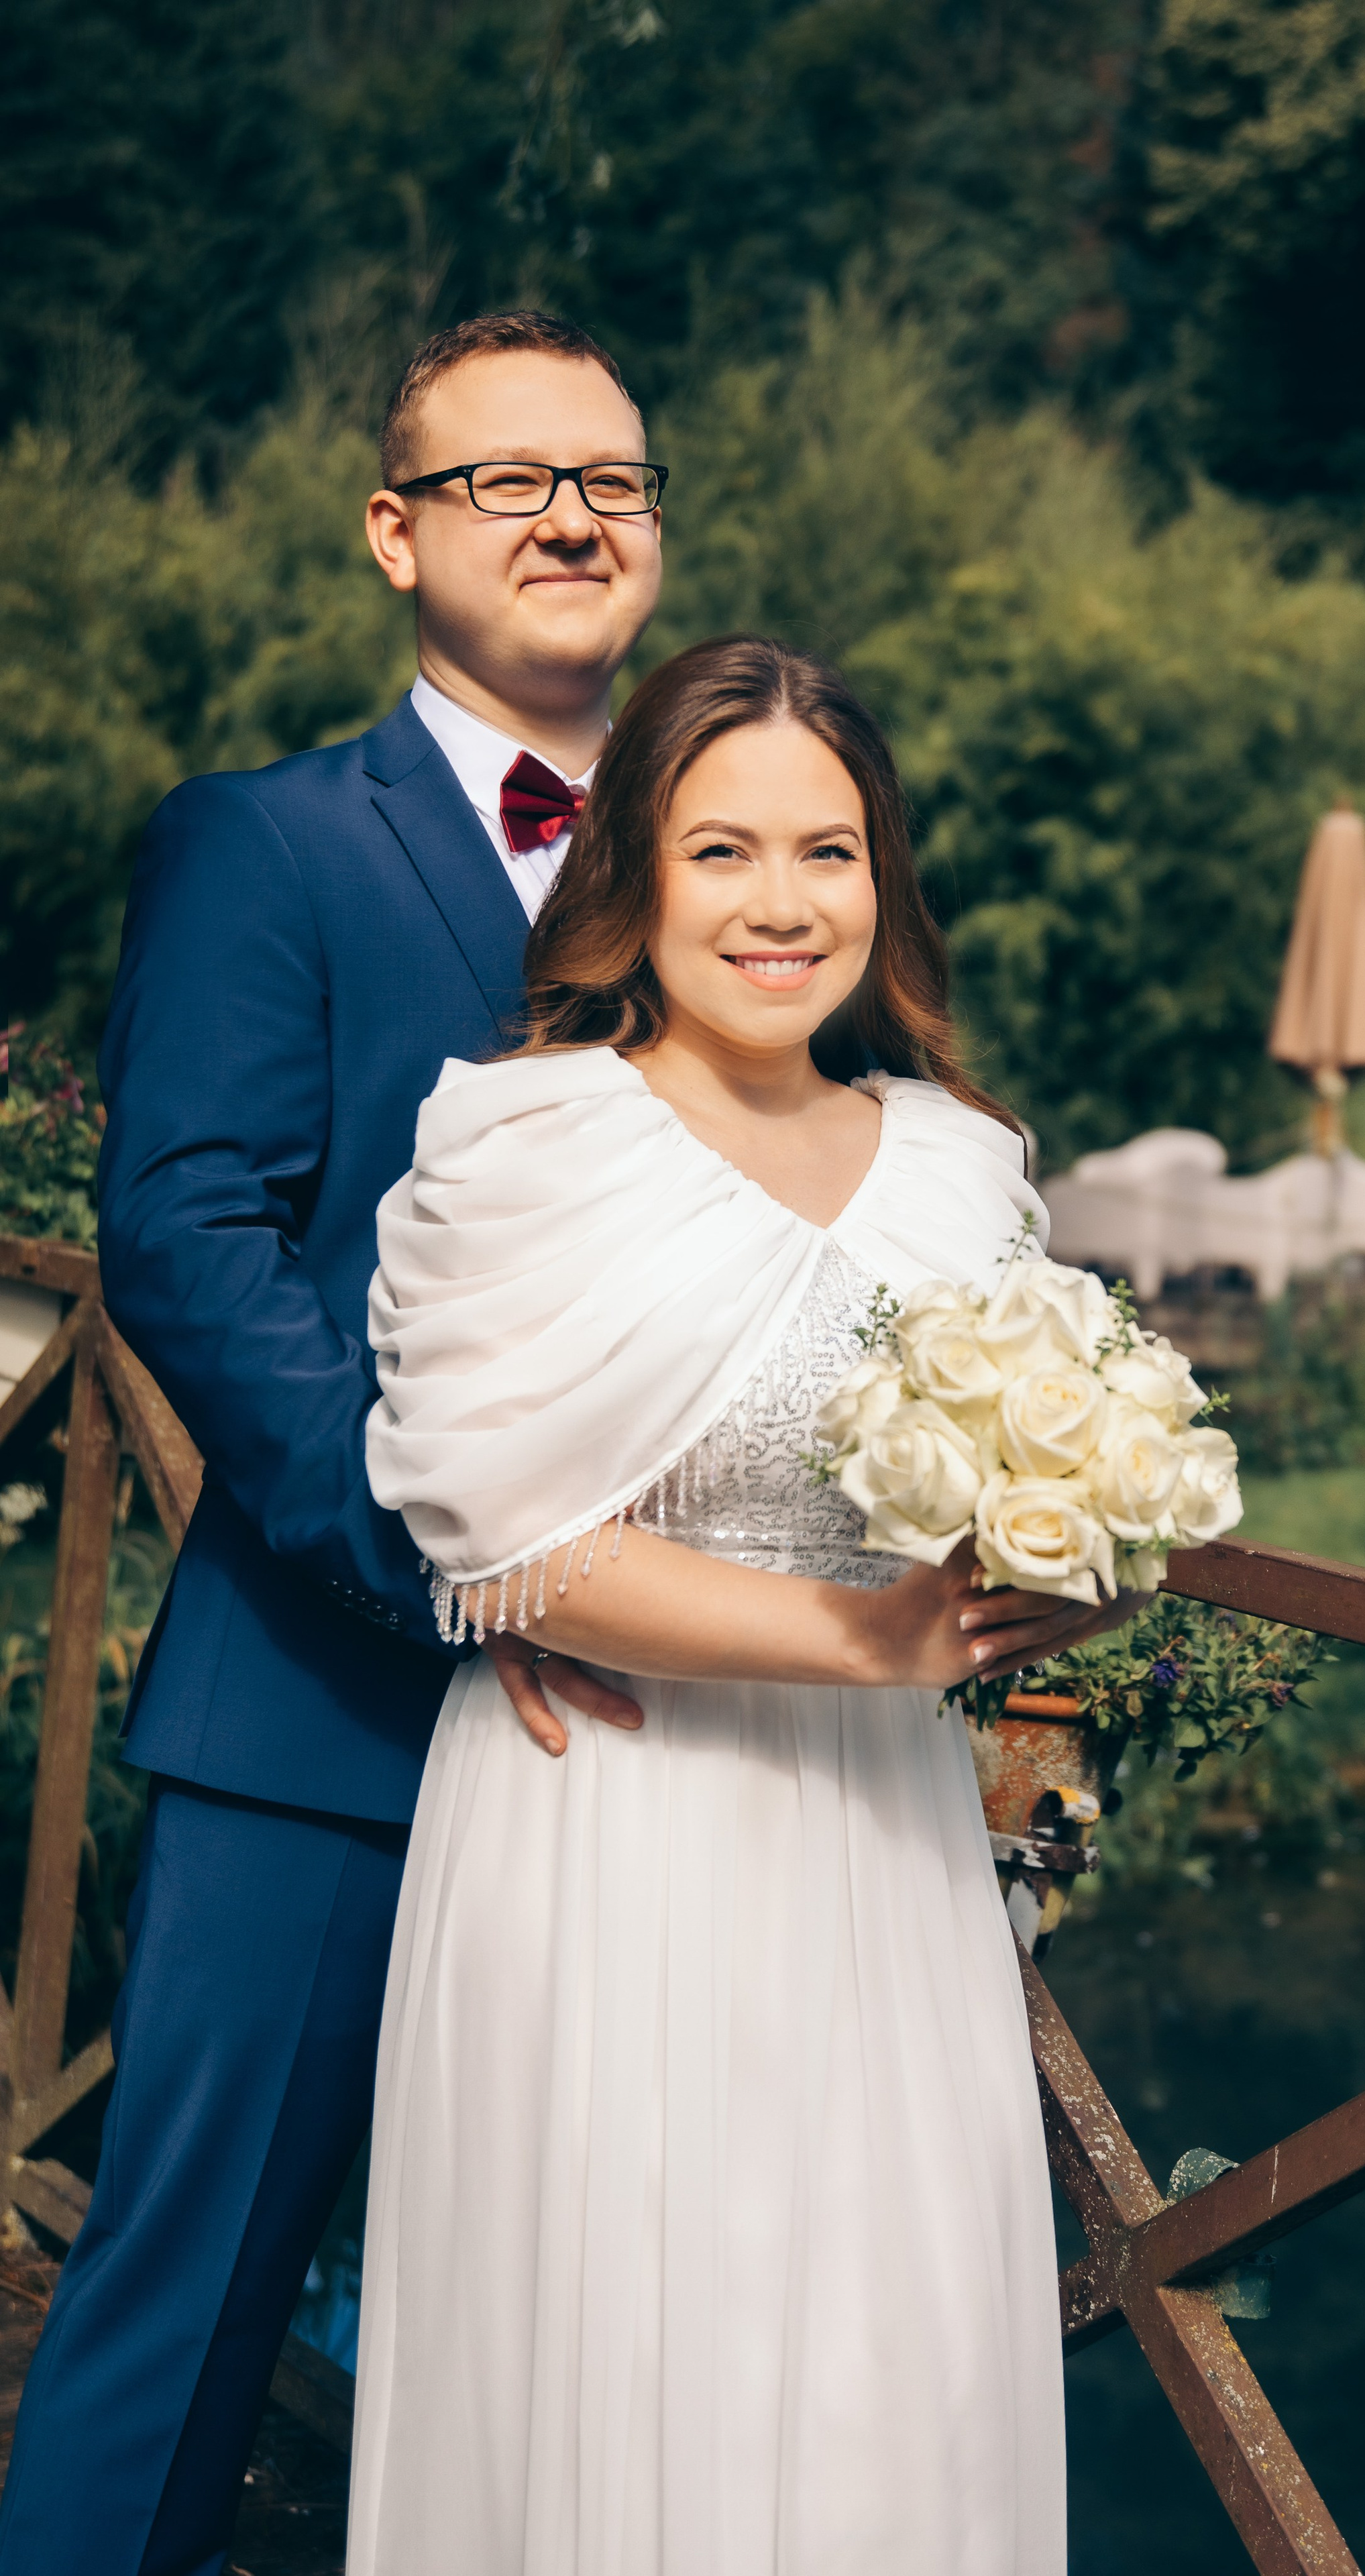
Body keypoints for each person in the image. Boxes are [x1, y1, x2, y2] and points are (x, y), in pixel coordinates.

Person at [349, 635, 1138, 2575]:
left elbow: (1024, 1486)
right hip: (613, 1830)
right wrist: (870, 1644)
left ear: (885, 882)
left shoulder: (968, 1174)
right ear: (630, 875)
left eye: (830, 852)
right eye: (722, 853)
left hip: (883, 1856)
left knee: (884, 2361)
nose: (782, 907)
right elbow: (501, 1545)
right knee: (633, 2344)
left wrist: (1080, 1544)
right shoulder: (527, 1139)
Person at [0, 311, 661, 2576]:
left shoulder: (748, 864)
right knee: (187, 2307)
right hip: (328, 1708)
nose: (575, 512)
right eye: (509, 479)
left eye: (618, 478)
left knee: (604, 2323)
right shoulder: (270, 843)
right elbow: (185, 1238)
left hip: (674, 1737)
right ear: (397, 534)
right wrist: (444, 1563)